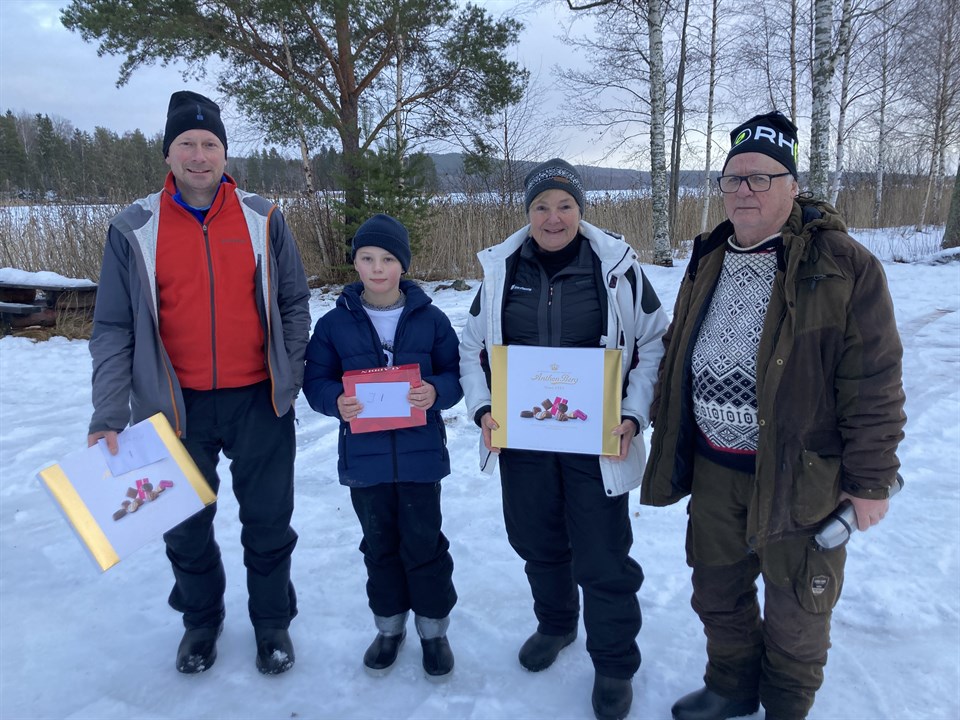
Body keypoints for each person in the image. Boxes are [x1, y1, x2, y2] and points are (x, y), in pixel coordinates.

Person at [641, 111, 906, 720]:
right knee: (716, 588)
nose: (744, 190)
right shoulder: (709, 254)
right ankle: (731, 685)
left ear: (793, 184)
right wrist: (654, 412)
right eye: (733, 178)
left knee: (798, 604)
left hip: (799, 473)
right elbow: (681, 347)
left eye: (761, 178)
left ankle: (787, 703)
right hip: (714, 467)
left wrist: (870, 480)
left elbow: (874, 382)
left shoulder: (842, 264)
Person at [87, 91, 311, 676]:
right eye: (186, 143)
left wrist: (288, 377)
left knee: (268, 522)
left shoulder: (263, 217)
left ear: (224, 153)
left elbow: (294, 303)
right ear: (167, 153)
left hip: (258, 401)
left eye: (210, 143)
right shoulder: (134, 227)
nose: (198, 155)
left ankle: (272, 623)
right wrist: (108, 414)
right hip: (172, 408)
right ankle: (201, 621)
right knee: (184, 527)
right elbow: (112, 327)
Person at [459, 159, 669, 720]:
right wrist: (483, 408)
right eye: (541, 207)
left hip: (597, 441)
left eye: (565, 206)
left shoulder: (618, 269)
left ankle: (614, 664)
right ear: (527, 213)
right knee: (537, 541)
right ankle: (556, 624)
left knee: (603, 554)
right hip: (524, 440)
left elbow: (653, 343)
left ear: (581, 209)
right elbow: (472, 347)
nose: (553, 218)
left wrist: (633, 413)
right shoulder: (501, 270)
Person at [302, 213, 462, 681]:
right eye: (368, 258)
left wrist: (436, 391)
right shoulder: (334, 324)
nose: (377, 268)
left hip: (420, 459)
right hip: (365, 463)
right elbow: (316, 380)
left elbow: (456, 375)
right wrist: (335, 400)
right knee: (379, 547)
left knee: (425, 545)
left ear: (403, 265)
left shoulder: (431, 320)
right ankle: (389, 627)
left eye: (388, 259)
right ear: (355, 263)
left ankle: (433, 630)